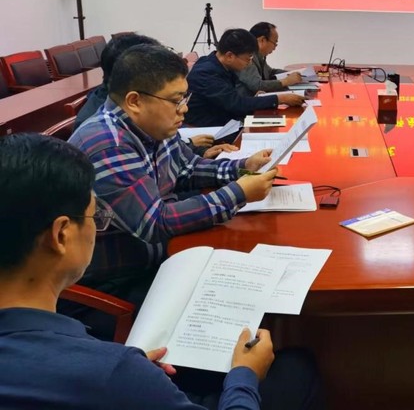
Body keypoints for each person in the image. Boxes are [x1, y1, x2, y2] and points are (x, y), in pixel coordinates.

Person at [0, 133, 322, 410]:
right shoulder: (113, 372)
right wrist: (245, 375)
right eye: (96, 218)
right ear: (61, 235)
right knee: (296, 369)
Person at [69, 45, 280, 305]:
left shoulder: (153, 124)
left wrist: (244, 166)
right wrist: (238, 193)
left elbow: (187, 168)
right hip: (120, 280)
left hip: (163, 254)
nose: (184, 109)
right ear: (135, 101)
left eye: (184, 98)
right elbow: (154, 223)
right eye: (176, 100)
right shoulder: (107, 142)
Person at [75, 33, 231, 158]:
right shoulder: (106, 138)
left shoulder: (148, 113)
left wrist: (197, 151)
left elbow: (180, 166)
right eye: (175, 100)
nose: (184, 108)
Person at [185, 29, 304, 127]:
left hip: (225, 120)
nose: (249, 63)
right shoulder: (206, 73)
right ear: (230, 56)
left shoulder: (221, 65)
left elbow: (233, 99)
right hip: (209, 128)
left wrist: (255, 98)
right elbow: (236, 104)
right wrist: (279, 99)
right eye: (248, 58)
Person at [238, 22, 303, 95]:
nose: (275, 47)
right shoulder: (247, 57)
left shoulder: (258, 55)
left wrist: (292, 73)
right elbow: (257, 85)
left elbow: (270, 72)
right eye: (274, 43)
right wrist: (285, 81)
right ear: (262, 40)